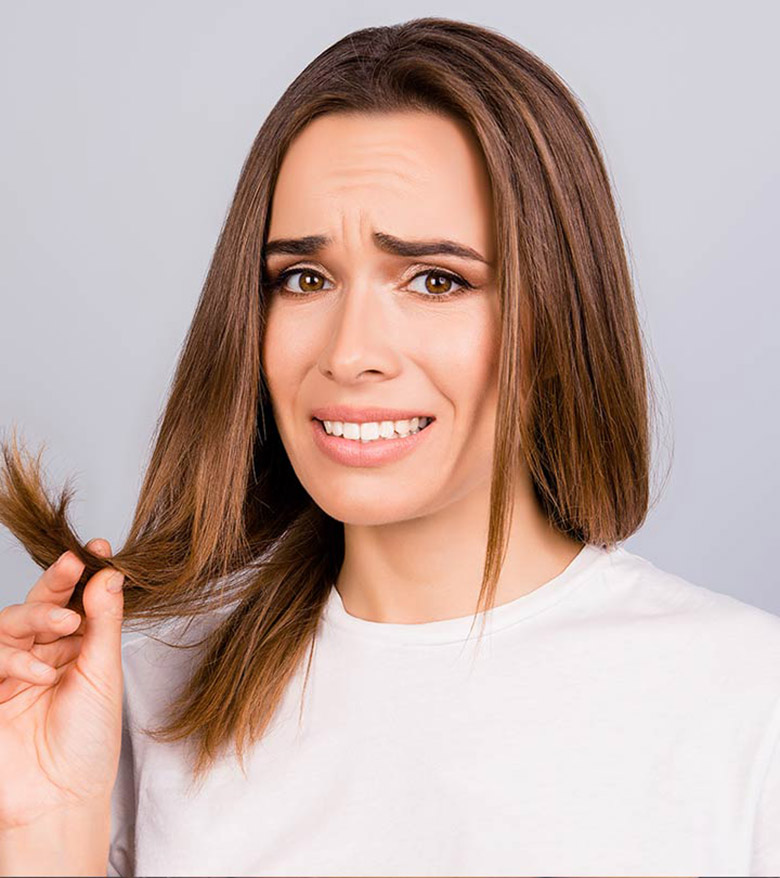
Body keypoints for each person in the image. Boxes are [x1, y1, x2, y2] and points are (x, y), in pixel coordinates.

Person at [0, 16, 778, 878]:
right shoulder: (128, 709)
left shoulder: (746, 707)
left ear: (557, 318)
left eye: (436, 279)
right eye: (304, 278)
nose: (348, 351)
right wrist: (42, 834)